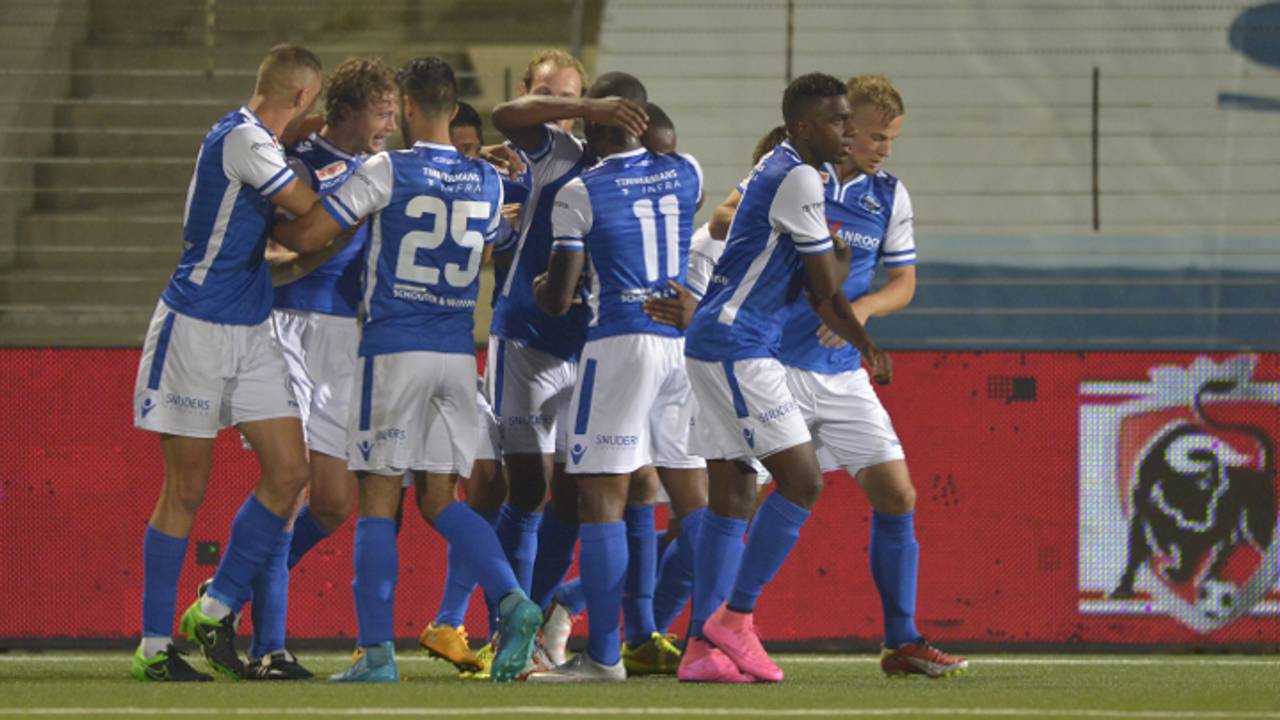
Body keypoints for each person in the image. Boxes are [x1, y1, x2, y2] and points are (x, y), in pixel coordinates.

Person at [273, 56, 542, 684]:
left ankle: (376, 656)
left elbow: (310, 235)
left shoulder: (387, 168)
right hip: (457, 356)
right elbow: (500, 242)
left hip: (394, 351)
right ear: (453, 106)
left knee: (377, 500)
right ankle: (512, 600)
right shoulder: (485, 179)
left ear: (411, 107)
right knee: (441, 499)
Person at [679, 72, 891, 684]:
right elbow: (825, 287)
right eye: (837, 119)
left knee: (734, 492)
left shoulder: (782, 166)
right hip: (737, 345)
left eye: (849, 118)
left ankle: (700, 651)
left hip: (723, 340)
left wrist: (834, 283)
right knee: (801, 480)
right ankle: (735, 618)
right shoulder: (800, 177)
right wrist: (864, 337)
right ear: (802, 126)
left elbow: (801, 275)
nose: (848, 129)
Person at [130, 44, 325, 683]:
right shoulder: (243, 138)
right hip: (195, 327)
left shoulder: (255, 141)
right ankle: (154, 647)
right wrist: (366, 181)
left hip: (251, 328)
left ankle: (213, 607)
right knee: (185, 490)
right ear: (301, 97)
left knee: (290, 472)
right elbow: (306, 208)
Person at [776, 75, 966, 678]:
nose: (884, 149)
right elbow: (732, 221)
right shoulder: (797, 176)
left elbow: (903, 283)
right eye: (875, 135)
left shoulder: (888, 196)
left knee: (897, 494)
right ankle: (678, 625)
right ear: (843, 125)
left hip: (841, 373)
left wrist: (861, 310)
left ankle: (901, 641)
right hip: (772, 366)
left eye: (892, 139)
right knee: (730, 506)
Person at [219, 56, 399, 682]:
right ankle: (270, 647)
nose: (389, 125)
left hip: (343, 339)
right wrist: (323, 242)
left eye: (395, 113)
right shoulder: (299, 162)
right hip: (287, 326)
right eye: (380, 113)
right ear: (345, 112)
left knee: (333, 502)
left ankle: (230, 588)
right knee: (288, 489)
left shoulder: (378, 170)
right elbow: (274, 248)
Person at [523, 74, 702, 682]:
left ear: (597, 123)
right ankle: (712, 640)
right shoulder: (688, 171)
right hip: (680, 346)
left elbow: (558, 299)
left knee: (601, 498)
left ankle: (603, 657)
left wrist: (541, 285)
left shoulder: (580, 191)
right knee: (696, 503)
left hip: (620, 344)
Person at [487, 50, 647, 628]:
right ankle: (503, 626)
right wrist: (585, 107)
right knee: (525, 488)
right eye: (548, 94)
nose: (557, 108)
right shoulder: (549, 151)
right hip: (526, 337)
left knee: (582, 494)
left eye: (570, 97)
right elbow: (506, 115)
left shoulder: (630, 171)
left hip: (593, 348)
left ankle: (540, 613)